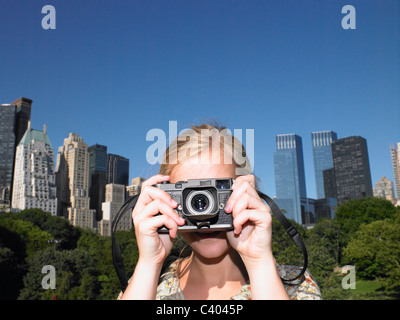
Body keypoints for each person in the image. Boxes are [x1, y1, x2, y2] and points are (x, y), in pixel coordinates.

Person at [118, 123, 321, 300]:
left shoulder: (295, 284)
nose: (203, 210)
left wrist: (259, 262)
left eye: (217, 192)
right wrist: (149, 263)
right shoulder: (143, 286)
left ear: (248, 192)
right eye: (188, 195)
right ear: (165, 198)